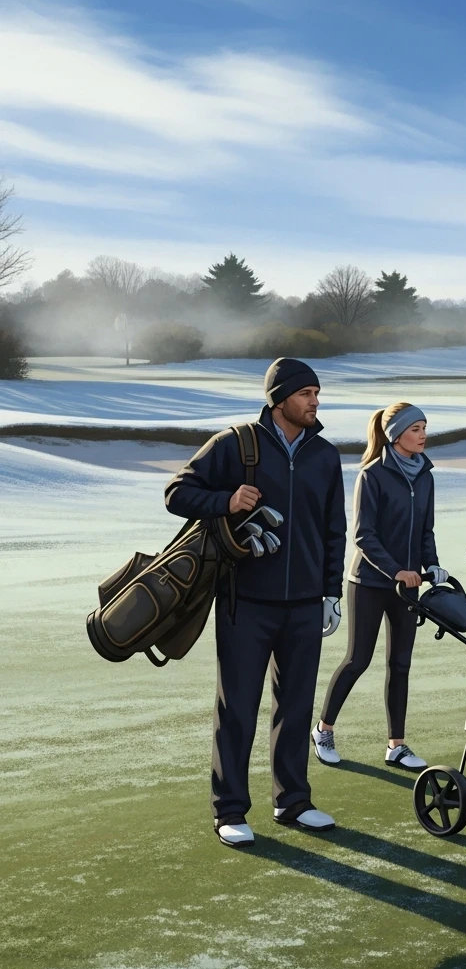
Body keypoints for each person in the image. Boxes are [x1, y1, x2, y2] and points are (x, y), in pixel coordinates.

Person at [165, 357, 346, 848]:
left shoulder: (326, 456)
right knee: (238, 708)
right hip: (245, 602)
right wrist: (226, 501)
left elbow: (335, 531)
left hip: (306, 604)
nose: (315, 401)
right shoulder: (233, 444)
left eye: (317, 394)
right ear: (280, 397)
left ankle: (293, 802)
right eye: (306, 393)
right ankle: (229, 810)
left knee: (295, 706)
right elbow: (177, 492)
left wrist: (333, 593)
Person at [314, 402, 448, 770]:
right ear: (396, 434)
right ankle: (323, 730)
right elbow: (363, 536)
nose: (423, 435)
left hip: (409, 586)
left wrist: (431, 564)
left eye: (424, 428)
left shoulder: (426, 475)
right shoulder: (372, 475)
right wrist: (396, 571)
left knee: (400, 664)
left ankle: (396, 746)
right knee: (358, 660)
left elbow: (425, 531)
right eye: (416, 428)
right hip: (369, 583)